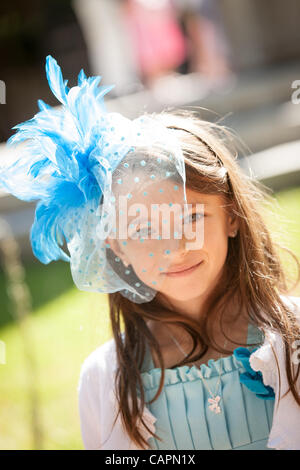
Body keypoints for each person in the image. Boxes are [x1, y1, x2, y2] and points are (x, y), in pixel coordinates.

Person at [1, 56, 300, 451]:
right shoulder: (105, 382)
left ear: (231, 216)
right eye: (142, 227)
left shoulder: (293, 340)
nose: (174, 248)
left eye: (191, 216)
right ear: (115, 245)